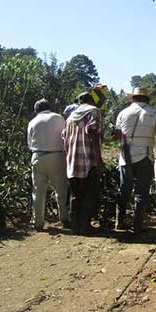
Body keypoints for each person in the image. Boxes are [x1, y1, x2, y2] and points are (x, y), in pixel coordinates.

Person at [114, 87, 156, 233]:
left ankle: (120, 221)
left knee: (124, 189)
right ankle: (137, 224)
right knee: (141, 191)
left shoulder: (123, 113)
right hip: (146, 155)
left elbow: (117, 135)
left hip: (126, 157)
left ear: (132, 98)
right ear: (147, 99)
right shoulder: (155, 113)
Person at [62, 92, 103, 235]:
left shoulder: (70, 117)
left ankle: (75, 227)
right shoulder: (94, 112)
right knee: (88, 194)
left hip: (72, 161)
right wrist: (99, 159)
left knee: (75, 194)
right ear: (91, 101)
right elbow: (93, 133)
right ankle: (86, 227)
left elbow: (64, 137)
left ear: (79, 103)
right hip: (88, 159)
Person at [27, 98, 69, 231]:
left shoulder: (32, 122)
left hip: (38, 156)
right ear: (49, 107)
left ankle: (38, 222)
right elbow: (65, 136)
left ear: (36, 110)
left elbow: (29, 144)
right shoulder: (59, 118)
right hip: (57, 156)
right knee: (61, 190)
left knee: (38, 192)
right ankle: (64, 218)